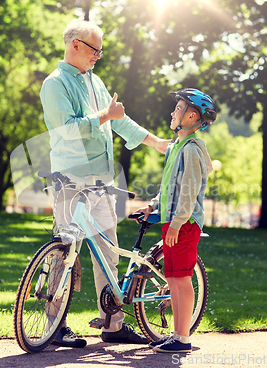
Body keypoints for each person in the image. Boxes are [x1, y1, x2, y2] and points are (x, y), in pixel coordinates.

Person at [39, 19, 170, 348]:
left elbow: (120, 120)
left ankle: (113, 324)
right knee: (64, 252)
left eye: (101, 49)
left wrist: (157, 143)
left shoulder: (94, 81)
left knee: (108, 252)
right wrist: (105, 116)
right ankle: (54, 327)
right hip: (70, 177)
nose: (99, 55)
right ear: (75, 46)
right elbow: (66, 129)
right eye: (94, 49)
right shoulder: (55, 84)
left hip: (101, 181)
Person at [134, 88, 217, 353]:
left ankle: (183, 338)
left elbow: (189, 191)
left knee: (181, 280)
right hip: (174, 221)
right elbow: (170, 185)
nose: (172, 112)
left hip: (185, 223)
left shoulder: (191, 150)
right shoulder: (176, 147)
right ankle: (177, 336)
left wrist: (179, 222)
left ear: (192, 116)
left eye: (178, 109)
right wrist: (154, 205)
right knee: (172, 278)